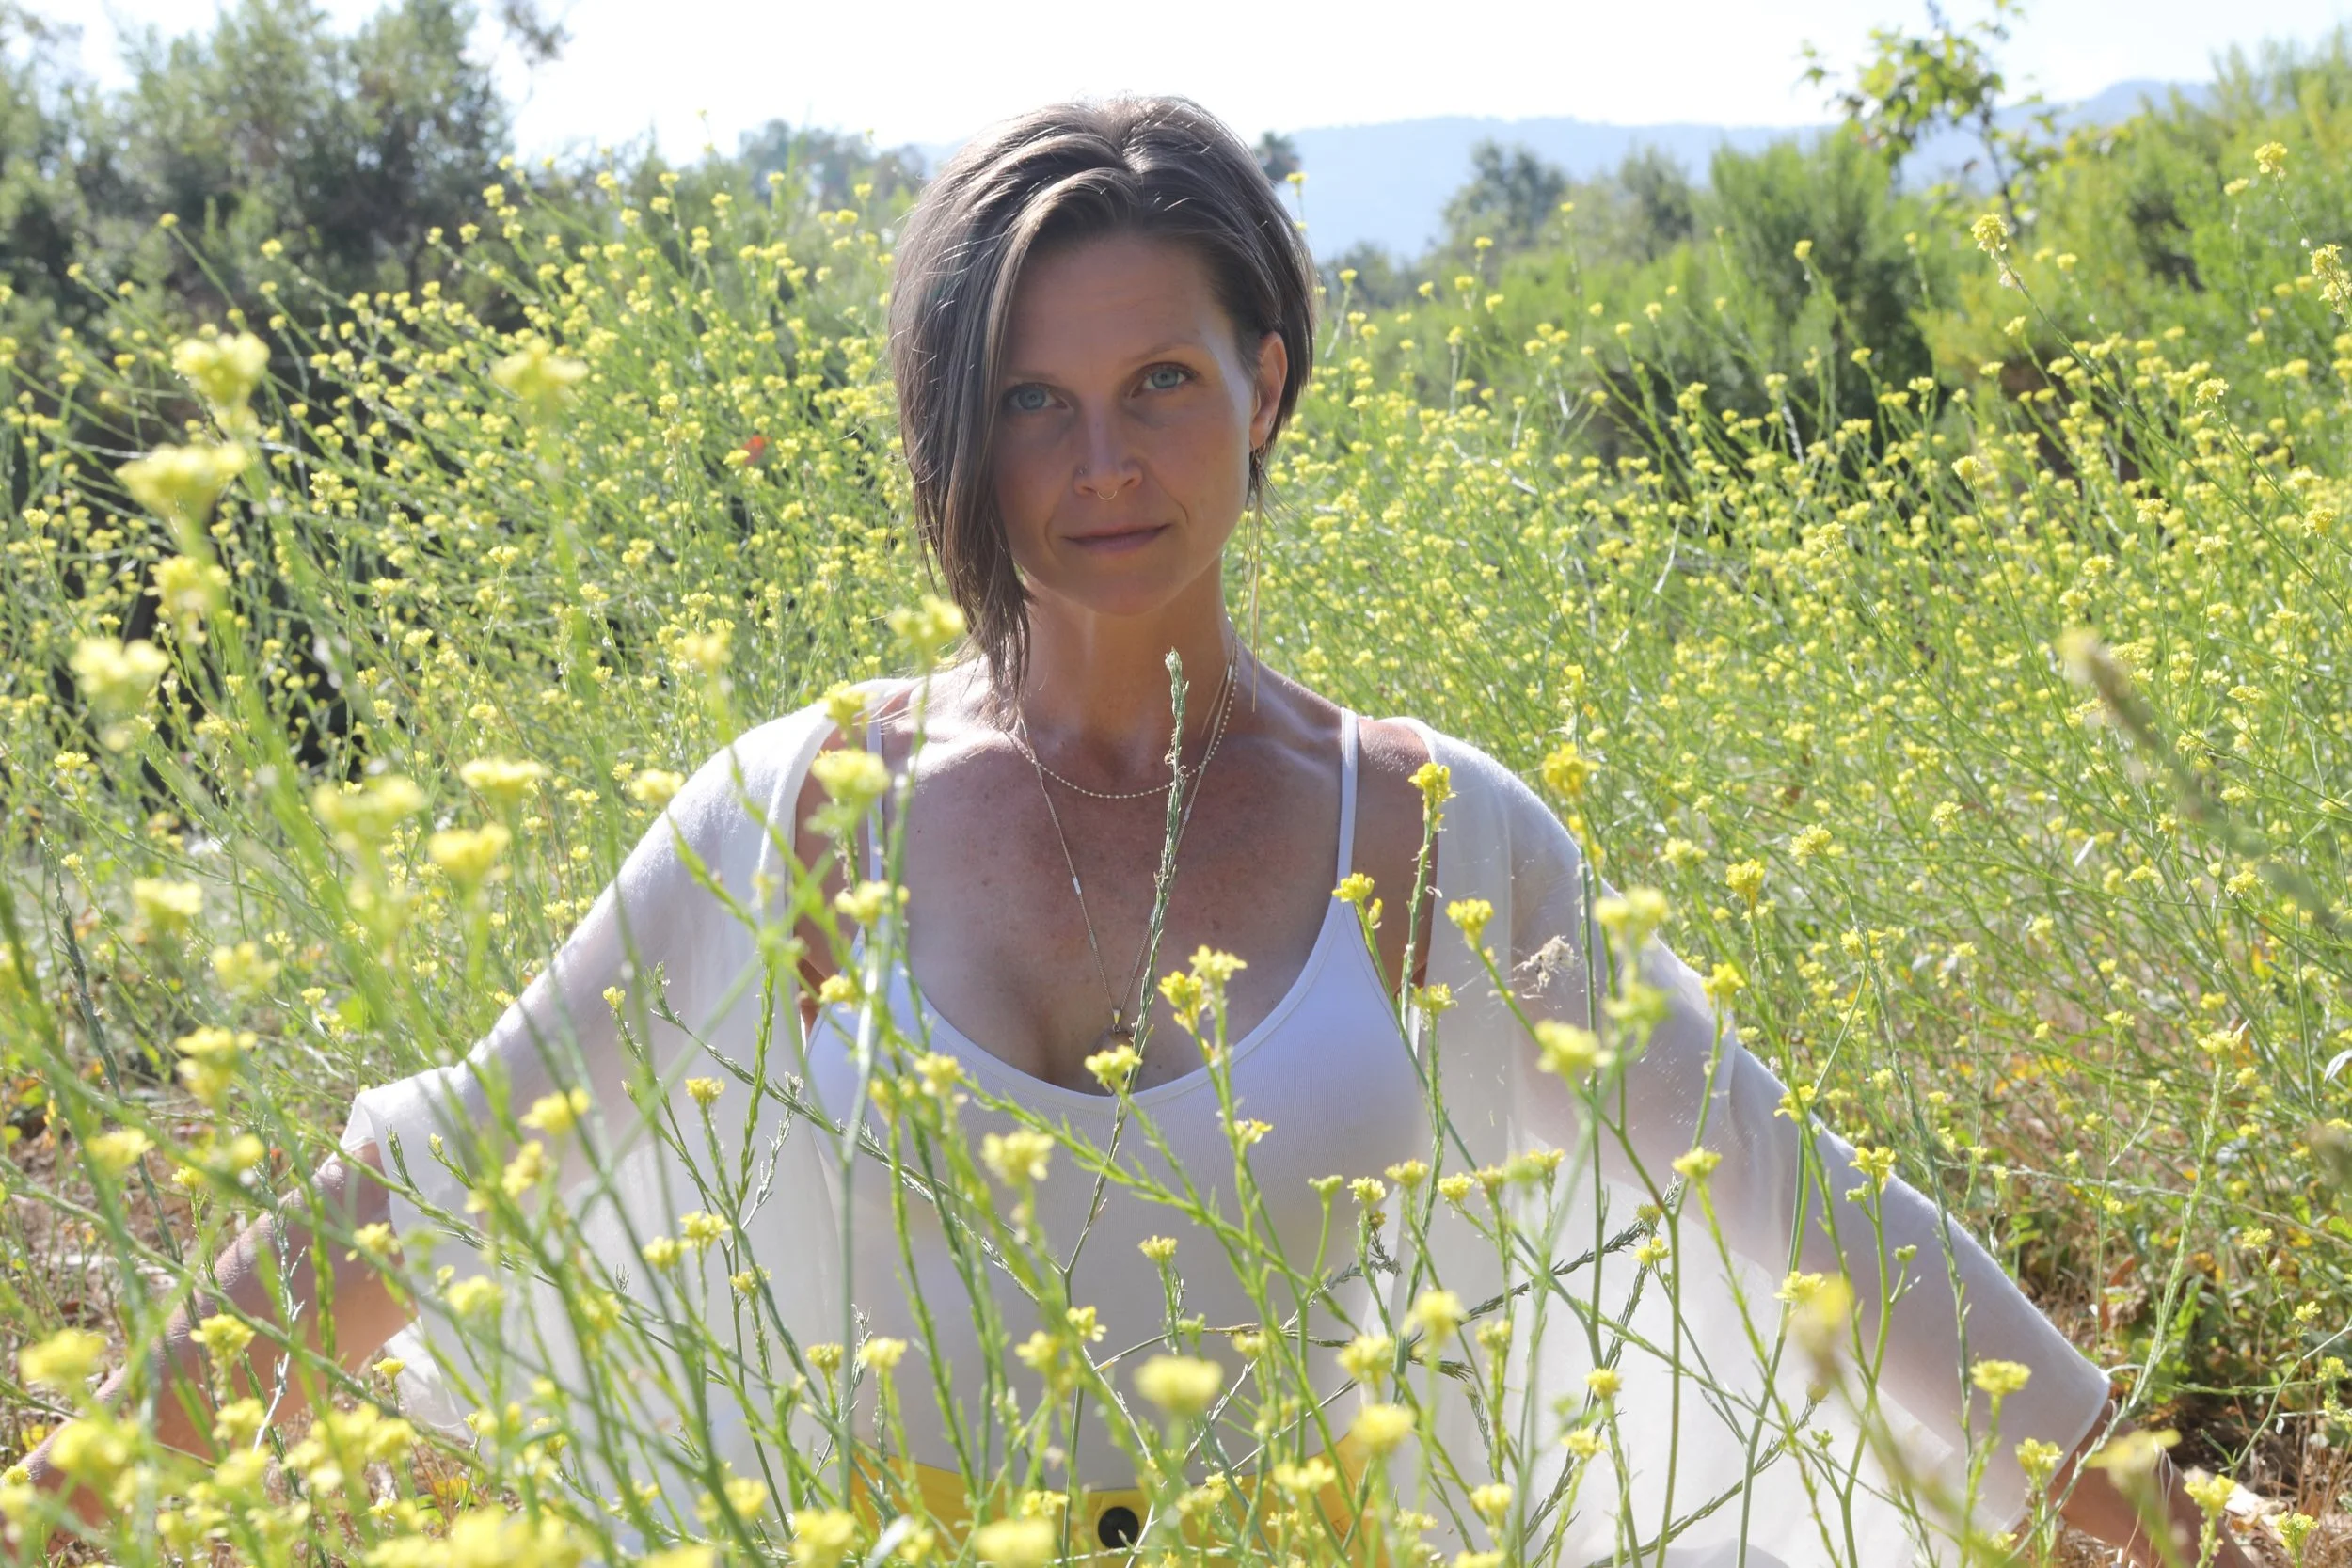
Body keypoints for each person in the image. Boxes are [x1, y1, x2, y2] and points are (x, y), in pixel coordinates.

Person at [24, 96, 2249, 1568]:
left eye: (1160, 382)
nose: (1101, 457)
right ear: (958, 434)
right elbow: (438, 1159)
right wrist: (74, 1480)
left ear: (1265, 386)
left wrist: (2153, 1507)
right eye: (1032, 400)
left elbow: (1791, 1205)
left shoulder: (1428, 831)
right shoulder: (809, 816)